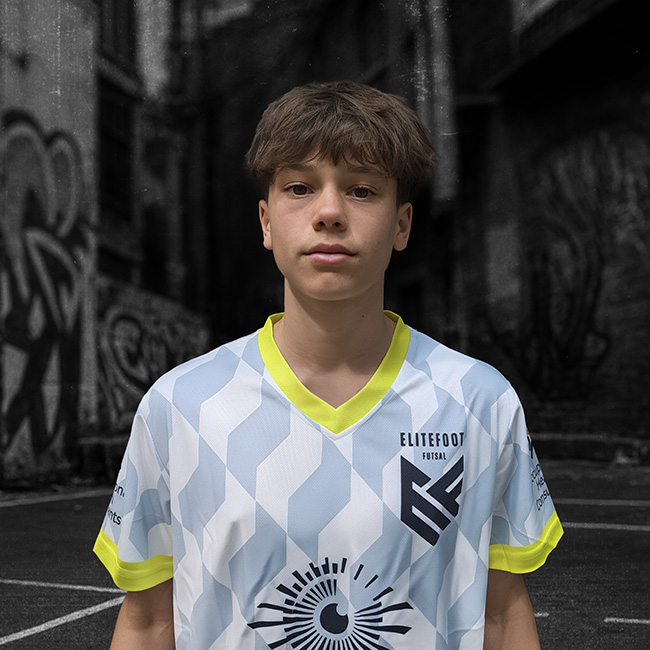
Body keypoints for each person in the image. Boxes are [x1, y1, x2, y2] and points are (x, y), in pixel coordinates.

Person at [94, 81, 563, 650]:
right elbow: (148, 621)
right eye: (300, 187)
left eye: (362, 190)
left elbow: (502, 615)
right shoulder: (179, 407)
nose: (330, 212)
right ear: (266, 222)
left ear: (402, 224)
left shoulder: (479, 402)